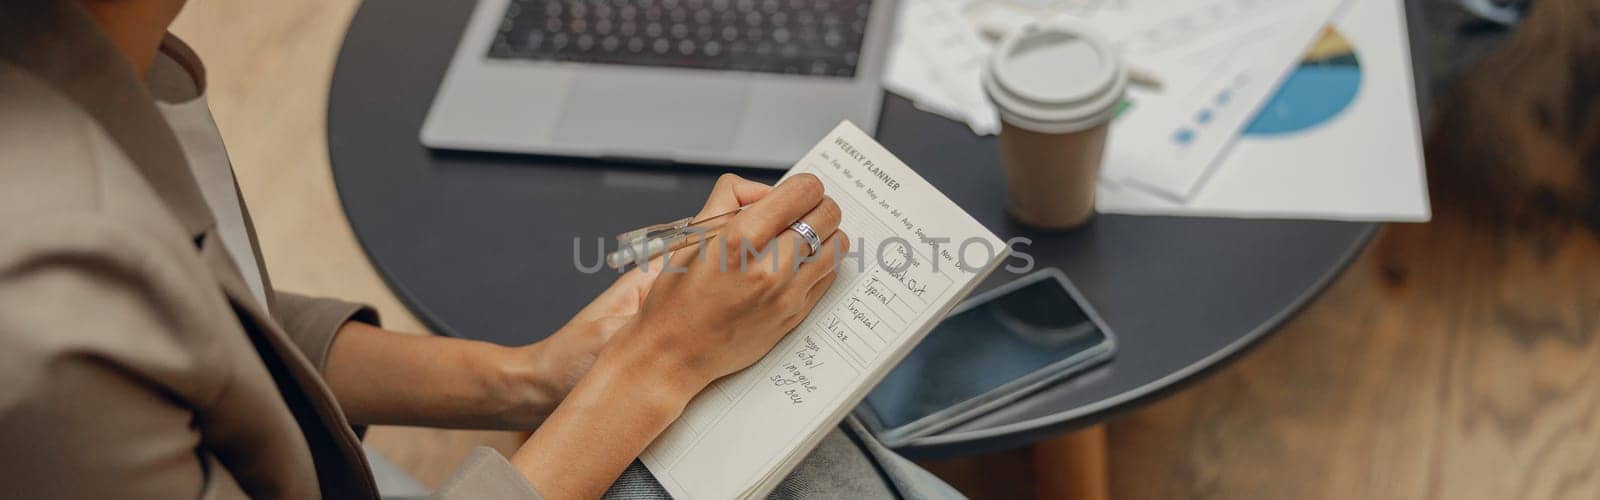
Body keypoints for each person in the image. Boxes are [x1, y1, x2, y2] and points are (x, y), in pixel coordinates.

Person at [0, 0, 962, 498]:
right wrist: (654, 365)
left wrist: (537, 375)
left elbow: (223, 334)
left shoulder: (89, 64)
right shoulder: (44, 321)